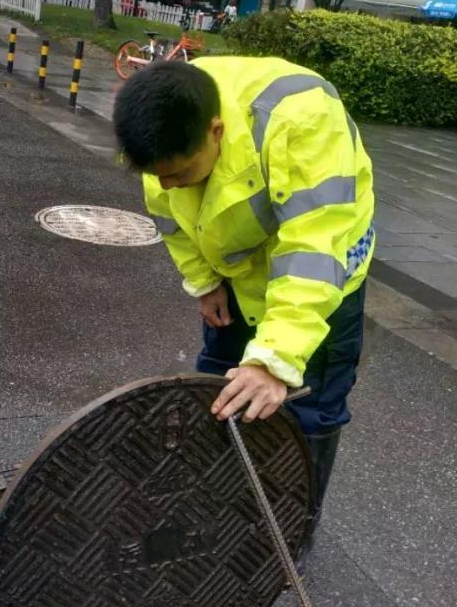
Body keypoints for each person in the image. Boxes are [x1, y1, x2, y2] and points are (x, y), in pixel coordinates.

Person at [112, 59, 374, 564]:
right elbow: (169, 217)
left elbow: (314, 246)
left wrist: (275, 361)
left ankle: (293, 531)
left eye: (180, 173)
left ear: (216, 131)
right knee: (221, 388)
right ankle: (217, 506)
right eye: (159, 176)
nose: (169, 185)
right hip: (239, 273)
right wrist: (204, 281)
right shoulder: (166, 123)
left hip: (321, 278)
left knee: (310, 407)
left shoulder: (303, 120)